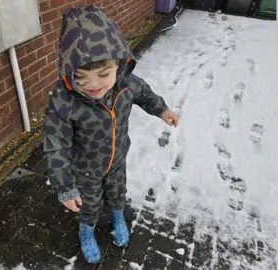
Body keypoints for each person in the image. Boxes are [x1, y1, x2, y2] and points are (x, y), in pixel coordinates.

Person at [43, 5, 179, 264]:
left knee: (117, 191)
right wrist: (65, 187)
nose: (93, 85)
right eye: (81, 77)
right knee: (89, 203)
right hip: (85, 169)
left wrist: (162, 109)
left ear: (120, 63)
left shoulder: (126, 85)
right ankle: (87, 229)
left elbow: (145, 94)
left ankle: (118, 214)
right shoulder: (65, 100)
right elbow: (55, 145)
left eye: (103, 74)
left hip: (117, 159)